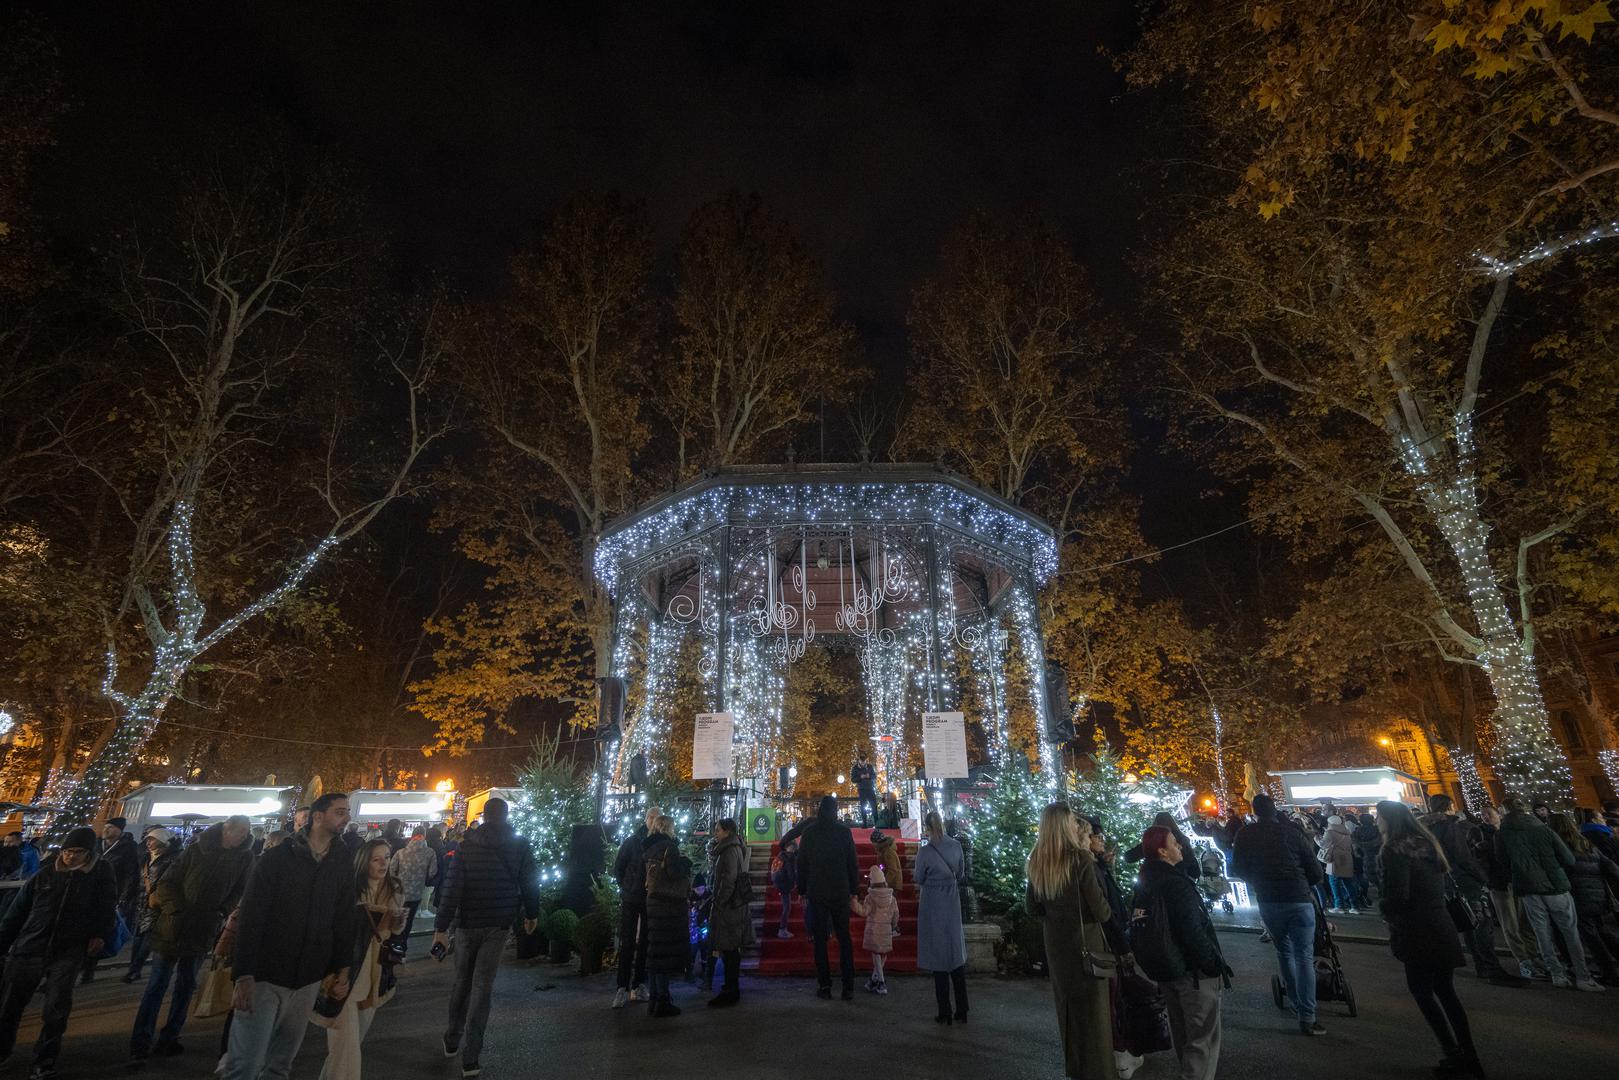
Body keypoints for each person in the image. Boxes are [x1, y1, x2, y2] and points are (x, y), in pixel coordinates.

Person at [223, 793, 358, 1080]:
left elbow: (344, 917)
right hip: (265, 975)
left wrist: (342, 969)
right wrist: (244, 973)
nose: (346, 817)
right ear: (318, 817)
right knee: (246, 1063)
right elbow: (252, 916)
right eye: (339, 812)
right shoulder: (276, 859)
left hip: (308, 977)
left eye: (347, 812)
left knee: (280, 1064)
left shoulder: (342, 861)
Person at [131, 815, 255, 1061]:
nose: (244, 837)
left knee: (186, 987)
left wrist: (222, 910)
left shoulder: (245, 857)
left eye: (245, 833)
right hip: (172, 927)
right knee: (157, 986)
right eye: (241, 832)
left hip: (203, 928)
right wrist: (176, 909)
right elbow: (168, 883)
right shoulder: (196, 850)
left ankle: (170, 1037)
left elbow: (241, 889)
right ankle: (140, 1043)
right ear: (226, 831)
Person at [432, 797, 541, 1074]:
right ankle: (471, 1056)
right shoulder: (520, 846)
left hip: (467, 922)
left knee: (462, 982)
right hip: (499, 923)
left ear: (483, 816)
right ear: (506, 816)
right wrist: (531, 913)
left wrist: (441, 928)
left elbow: (451, 889)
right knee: (483, 987)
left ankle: (452, 1038)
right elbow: (530, 881)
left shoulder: (466, 847)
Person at [0, 826, 117, 1080]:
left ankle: (44, 1059)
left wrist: (98, 935)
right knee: (9, 1005)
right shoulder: (44, 875)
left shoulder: (98, 877)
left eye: (77, 852)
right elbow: (17, 913)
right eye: (67, 851)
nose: (70, 857)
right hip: (30, 946)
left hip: (68, 950)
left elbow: (106, 908)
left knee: (55, 1009)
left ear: (89, 854)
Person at [1376, 800, 1483, 1078]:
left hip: (1417, 929)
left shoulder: (1393, 850)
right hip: (1441, 923)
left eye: (1379, 817)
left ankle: (1452, 1052)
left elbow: (1398, 895)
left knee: (1422, 991)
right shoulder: (1428, 843)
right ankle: (1469, 1055)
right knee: (1446, 992)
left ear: (1388, 820)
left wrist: (1385, 909)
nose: (1377, 822)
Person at [1133, 825, 1229, 1080]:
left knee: (1184, 1035)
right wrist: (1210, 963)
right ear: (1162, 851)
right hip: (1192, 972)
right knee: (1202, 1040)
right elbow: (1192, 931)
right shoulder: (1175, 884)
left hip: (1167, 970)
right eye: (1174, 843)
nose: (1180, 847)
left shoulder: (1146, 880)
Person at [1026, 805, 1114, 1079]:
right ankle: (1099, 1072)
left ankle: (1075, 1069)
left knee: (1068, 1012)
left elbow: (1032, 908)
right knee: (1095, 1018)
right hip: (1085, 943)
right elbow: (1101, 911)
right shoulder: (1080, 859)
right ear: (1066, 825)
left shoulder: (1037, 860)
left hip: (1057, 946)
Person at [1229, 793, 1326, 1035]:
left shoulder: (1245, 834)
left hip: (1269, 899)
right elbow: (1314, 869)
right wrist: (1305, 882)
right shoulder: (1291, 832)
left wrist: (1258, 882)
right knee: (1304, 956)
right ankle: (1308, 1015)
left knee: (1284, 951)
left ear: (1255, 812)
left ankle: (1294, 1001)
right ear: (1275, 810)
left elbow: (1238, 868)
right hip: (1298, 897)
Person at [314, 839, 406, 1080]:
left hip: (375, 972)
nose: (383, 863)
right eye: (376, 858)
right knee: (347, 1046)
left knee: (347, 1045)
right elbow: (336, 931)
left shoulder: (395, 887)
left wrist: (397, 921)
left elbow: (394, 933)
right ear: (364, 861)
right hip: (346, 971)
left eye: (386, 857)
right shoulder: (350, 889)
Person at [1495, 796, 1603, 991]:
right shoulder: (1543, 828)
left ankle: (1557, 975)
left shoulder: (1503, 834)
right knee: (1570, 932)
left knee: (1542, 934)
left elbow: (1502, 862)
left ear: (1504, 811)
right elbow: (1569, 859)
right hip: (1556, 885)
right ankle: (1583, 976)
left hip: (1528, 888)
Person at [1421, 795, 1526, 988]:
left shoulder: (1427, 828)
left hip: (1447, 881)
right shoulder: (1449, 826)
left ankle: (1482, 965)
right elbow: (1463, 857)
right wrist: (1482, 878)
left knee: (1470, 924)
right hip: (1465, 881)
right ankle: (1491, 968)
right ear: (1450, 806)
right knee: (1482, 924)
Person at [798, 795, 860, 1000]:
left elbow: (802, 863)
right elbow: (852, 862)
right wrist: (854, 889)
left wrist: (801, 889)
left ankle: (824, 984)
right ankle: (848, 986)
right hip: (840, 890)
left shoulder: (810, 833)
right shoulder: (843, 832)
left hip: (818, 891)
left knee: (820, 940)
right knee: (844, 938)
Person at [1546, 813, 1619, 985]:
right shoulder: (1585, 842)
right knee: (1602, 931)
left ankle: (1608, 971)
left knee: (1591, 936)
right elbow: (1609, 865)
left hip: (1578, 894)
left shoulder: (1559, 846)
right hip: (1598, 893)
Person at [917, 810, 968, 1024]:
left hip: (932, 901)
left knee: (938, 953)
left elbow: (918, 877)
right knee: (954, 950)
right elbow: (962, 872)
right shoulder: (956, 846)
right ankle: (962, 1008)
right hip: (951, 899)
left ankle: (944, 1010)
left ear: (928, 828)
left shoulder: (926, 852)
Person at [639, 814, 691, 1018]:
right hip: (668, 906)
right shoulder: (669, 846)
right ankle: (662, 998)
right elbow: (673, 872)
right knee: (664, 954)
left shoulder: (649, 847)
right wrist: (685, 863)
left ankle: (654, 999)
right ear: (668, 827)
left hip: (653, 903)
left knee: (655, 952)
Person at [610, 805, 659, 1007]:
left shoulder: (657, 843)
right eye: (652, 819)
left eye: (658, 819)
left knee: (646, 942)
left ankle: (639, 984)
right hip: (632, 897)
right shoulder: (632, 842)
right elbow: (618, 867)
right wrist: (627, 886)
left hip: (649, 898)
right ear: (647, 819)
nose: (655, 823)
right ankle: (622, 987)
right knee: (628, 941)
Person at [83, 815, 140, 985]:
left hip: (111, 895)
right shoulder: (96, 845)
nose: (106, 829)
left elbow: (131, 875)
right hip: (89, 893)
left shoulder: (128, 848)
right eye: (105, 826)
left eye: (111, 827)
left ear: (120, 831)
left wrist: (123, 897)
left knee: (99, 931)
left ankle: (89, 968)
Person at [706, 818, 754, 1008]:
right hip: (733, 906)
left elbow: (728, 880)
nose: (715, 833)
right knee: (730, 950)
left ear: (727, 832)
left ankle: (730, 990)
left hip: (729, 908)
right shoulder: (733, 848)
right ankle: (730, 988)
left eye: (718, 830)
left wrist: (718, 901)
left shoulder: (728, 852)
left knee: (730, 949)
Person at [123, 828, 179, 984]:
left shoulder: (173, 859)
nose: (148, 843)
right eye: (147, 840)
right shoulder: (145, 857)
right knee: (138, 937)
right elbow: (136, 878)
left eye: (152, 840)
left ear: (162, 841)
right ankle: (134, 968)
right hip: (141, 901)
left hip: (157, 904)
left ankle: (135, 969)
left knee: (147, 937)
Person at [388, 826, 438, 956]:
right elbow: (433, 872)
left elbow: (391, 870)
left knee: (395, 918)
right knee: (408, 920)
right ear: (424, 836)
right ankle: (402, 945)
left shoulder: (401, 852)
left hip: (399, 892)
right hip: (416, 892)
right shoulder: (430, 852)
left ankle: (391, 944)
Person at [853, 862, 899, 994]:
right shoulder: (892, 898)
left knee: (875, 954)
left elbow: (864, 912)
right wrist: (894, 925)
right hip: (886, 931)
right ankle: (874, 979)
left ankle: (881, 982)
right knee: (882, 954)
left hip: (873, 931)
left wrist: (854, 903)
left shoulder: (870, 897)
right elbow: (896, 914)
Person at [1126, 812, 1200, 883]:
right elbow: (1195, 871)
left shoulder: (1155, 840)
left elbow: (1130, 857)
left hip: (1158, 881)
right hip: (1180, 881)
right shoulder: (1183, 841)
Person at [1317, 815, 1358, 914]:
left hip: (1335, 860)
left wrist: (1316, 838)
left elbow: (1323, 844)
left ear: (1330, 823)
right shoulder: (1347, 832)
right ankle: (1354, 906)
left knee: (1334, 883)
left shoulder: (1330, 832)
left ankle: (1339, 906)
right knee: (1348, 884)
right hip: (1347, 859)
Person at [771, 835, 799, 940]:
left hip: (779, 883)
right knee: (787, 907)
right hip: (785, 885)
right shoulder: (789, 857)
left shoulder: (780, 856)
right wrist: (795, 883)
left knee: (786, 907)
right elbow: (791, 873)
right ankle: (782, 929)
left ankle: (783, 929)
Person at [1352, 809, 1382, 898]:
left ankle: (1365, 895)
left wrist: (1360, 848)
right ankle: (1381, 891)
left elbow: (1355, 843)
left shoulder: (1357, 831)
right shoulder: (1377, 830)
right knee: (1379, 875)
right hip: (1377, 854)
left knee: (1366, 875)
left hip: (1364, 855)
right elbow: (1380, 841)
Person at [870, 829, 904, 894]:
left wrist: (884, 882)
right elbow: (882, 865)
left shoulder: (888, 852)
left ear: (877, 841)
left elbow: (893, 870)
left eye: (873, 842)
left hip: (892, 883)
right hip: (889, 882)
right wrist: (881, 869)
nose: (872, 844)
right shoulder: (882, 850)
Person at [851, 750, 878, 828]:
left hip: (870, 788)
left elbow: (874, 776)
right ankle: (864, 824)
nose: (863, 762)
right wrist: (860, 777)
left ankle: (877, 823)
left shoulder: (869, 766)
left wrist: (869, 776)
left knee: (874, 806)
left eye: (864, 760)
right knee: (863, 806)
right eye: (861, 760)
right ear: (859, 760)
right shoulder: (855, 768)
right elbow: (853, 779)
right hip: (862, 789)